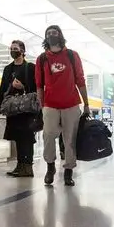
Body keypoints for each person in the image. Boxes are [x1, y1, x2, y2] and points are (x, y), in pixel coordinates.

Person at [35, 25, 89, 187]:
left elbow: (80, 80)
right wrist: (41, 106)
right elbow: (39, 85)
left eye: (54, 32)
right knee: (48, 135)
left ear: (60, 35)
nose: (51, 35)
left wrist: (86, 104)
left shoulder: (72, 55)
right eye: (48, 33)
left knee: (70, 139)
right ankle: (50, 166)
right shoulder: (42, 59)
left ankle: (68, 171)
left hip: (71, 104)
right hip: (50, 105)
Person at [0, 40, 38, 177]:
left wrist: (23, 87)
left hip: (26, 109)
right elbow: (3, 89)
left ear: (22, 51)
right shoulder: (8, 69)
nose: (13, 51)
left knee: (27, 137)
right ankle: (20, 165)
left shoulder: (30, 67)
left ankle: (28, 167)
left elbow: (37, 88)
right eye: (11, 49)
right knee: (17, 137)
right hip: (13, 109)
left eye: (15, 48)